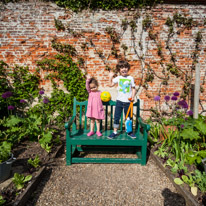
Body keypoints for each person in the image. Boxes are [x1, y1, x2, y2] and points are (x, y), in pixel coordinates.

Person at [108, 60, 136, 139]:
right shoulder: (118, 78)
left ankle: (129, 132)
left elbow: (133, 88)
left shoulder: (130, 78)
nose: (124, 69)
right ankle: (115, 132)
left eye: (125, 67)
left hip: (128, 102)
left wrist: (133, 96)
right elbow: (110, 85)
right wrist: (110, 77)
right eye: (122, 68)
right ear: (119, 70)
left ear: (128, 68)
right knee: (117, 117)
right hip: (119, 101)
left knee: (128, 118)